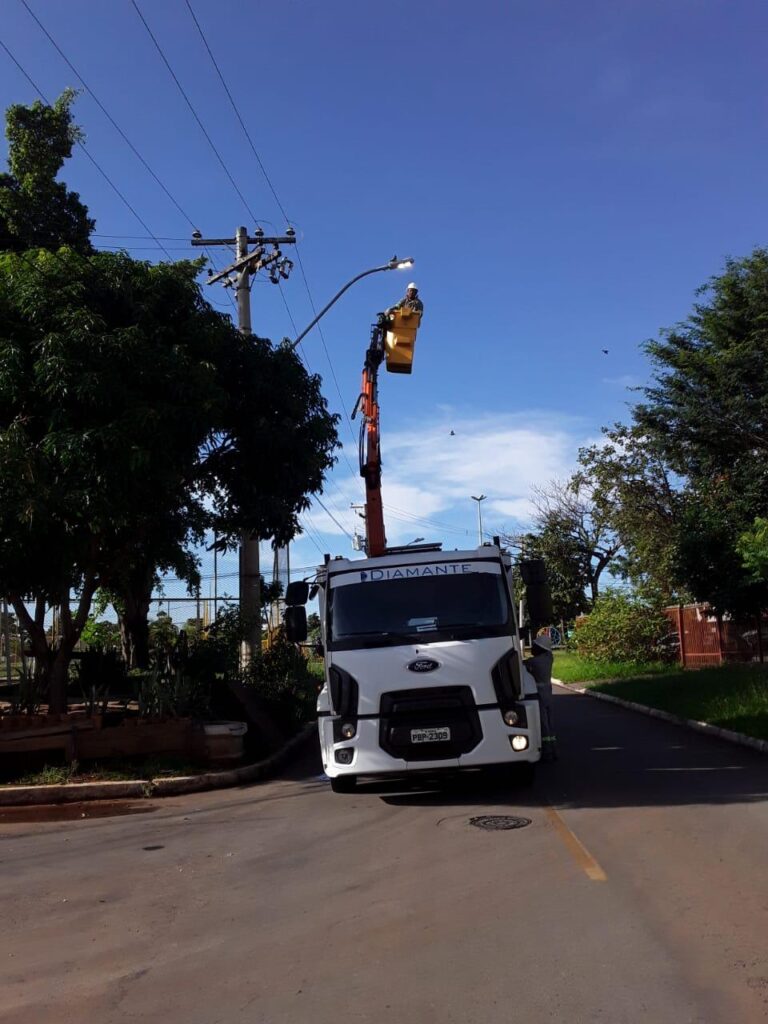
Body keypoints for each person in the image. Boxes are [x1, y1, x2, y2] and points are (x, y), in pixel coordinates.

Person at [524, 633, 557, 762]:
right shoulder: (549, 657)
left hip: (540, 694)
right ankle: (553, 749)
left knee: (543, 723)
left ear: (540, 648)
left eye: (534, 646)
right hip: (548, 693)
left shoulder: (536, 661)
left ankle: (547, 751)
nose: (532, 648)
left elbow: (523, 663)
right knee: (549, 721)